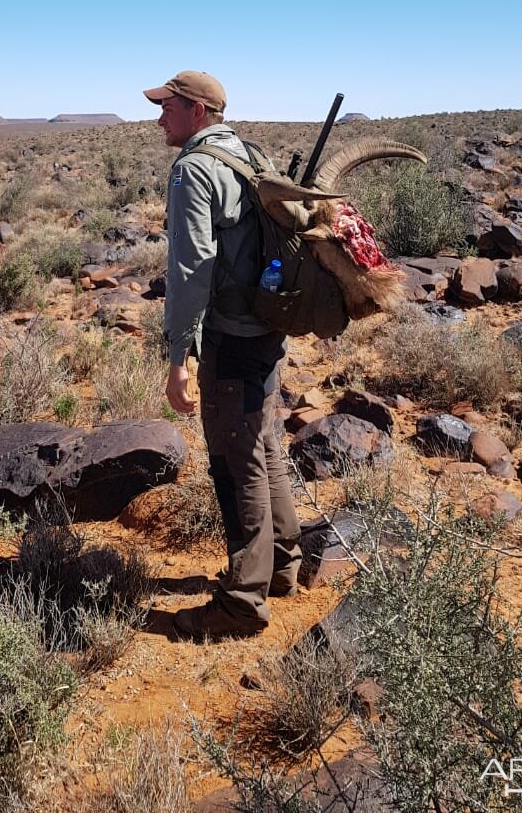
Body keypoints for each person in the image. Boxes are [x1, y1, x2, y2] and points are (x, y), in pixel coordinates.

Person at [143, 70, 302, 641]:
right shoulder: (247, 154)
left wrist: (178, 354)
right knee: (264, 447)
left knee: (237, 467)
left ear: (197, 111)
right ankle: (282, 567)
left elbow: (191, 270)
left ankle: (241, 602)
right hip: (267, 327)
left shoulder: (194, 168)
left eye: (168, 106)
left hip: (231, 336)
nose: (159, 117)